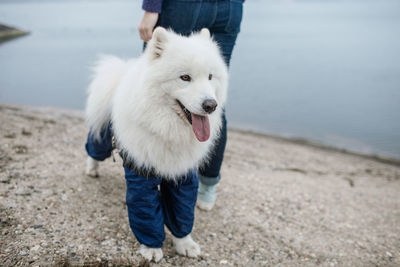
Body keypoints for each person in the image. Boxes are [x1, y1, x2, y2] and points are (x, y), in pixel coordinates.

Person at [138, 0, 243, 211]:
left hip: (185, 7)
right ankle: (207, 186)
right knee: (210, 94)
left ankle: (147, 180)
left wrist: (151, 7)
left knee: (151, 83)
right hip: (230, 9)